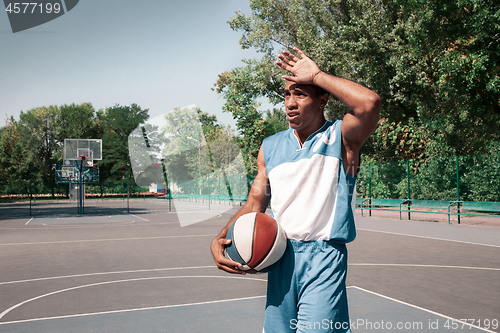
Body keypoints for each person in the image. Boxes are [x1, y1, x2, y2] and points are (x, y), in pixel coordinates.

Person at [210, 47, 381, 332]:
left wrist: (317, 75)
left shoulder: (341, 137)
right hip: (280, 257)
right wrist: (221, 238)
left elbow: (370, 103)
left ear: (322, 99)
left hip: (324, 258)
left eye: (300, 94)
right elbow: (254, 206)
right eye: (287, 95)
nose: (290, 102)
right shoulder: (270, 146)